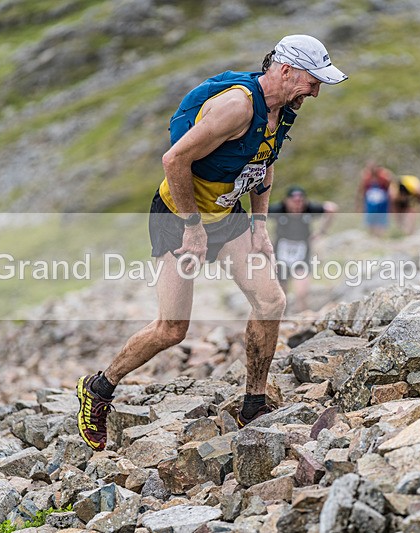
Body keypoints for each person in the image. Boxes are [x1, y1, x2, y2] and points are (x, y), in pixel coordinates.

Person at [76, 34, 347, 450]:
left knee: (271, 301)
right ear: (286, 70)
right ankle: (99, 387)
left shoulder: (284, 110)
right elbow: (174, 160)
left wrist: (259, 224)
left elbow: (264, 164)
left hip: (229, 216)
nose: (316, 91)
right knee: (172, 328)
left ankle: (254, 403)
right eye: (313, 81)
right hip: (179, 218)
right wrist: (192, 226)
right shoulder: (237, 107)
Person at [269, 186, 336, 313]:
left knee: (302, 292)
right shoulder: (278, 209)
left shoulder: (309, 208)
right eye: (294, 202)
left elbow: (331, 208)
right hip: (281, 255)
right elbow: (255, 212)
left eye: (300, 202)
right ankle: (283, 319)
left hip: (301, 255)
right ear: (286, 201)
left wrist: (321, 231)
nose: (297, 206)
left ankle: (302, 318)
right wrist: (263, 235)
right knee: (281, 294)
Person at [357, 163, 392, 237]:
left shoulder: (383, 177)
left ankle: (380, 235)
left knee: (382, 219)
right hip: (370, 203)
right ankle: (372, 235)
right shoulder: (367, 178)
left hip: (382, 202)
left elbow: (389, 188)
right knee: (370, 218)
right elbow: (361, 191)